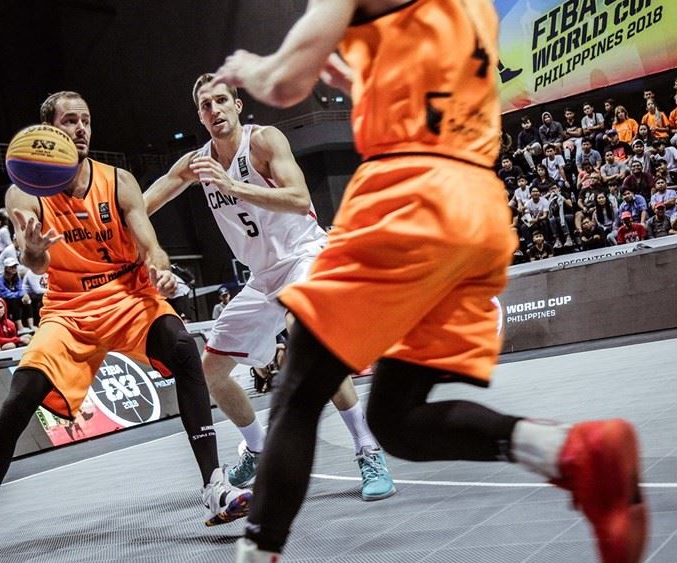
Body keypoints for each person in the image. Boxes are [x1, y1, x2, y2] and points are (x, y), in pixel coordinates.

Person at [213, 1, 646, 561]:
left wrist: (248, 69)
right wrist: (361, 79)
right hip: (478, 209)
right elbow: (434, 87)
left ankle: (257, 553)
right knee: (395, 418)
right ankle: (574, 453)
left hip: (409, 197)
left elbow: (284, 81)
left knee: (297, 392)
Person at [0, 90, 251, 562]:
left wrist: (161, 271)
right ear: (49, 131)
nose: (82, 129)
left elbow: (151, 247)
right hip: (69, 309)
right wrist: (30, 247)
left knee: (184, 348)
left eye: (86, 120)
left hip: (129, 295)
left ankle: (213, 484)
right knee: (18, 400)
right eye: (71, 121)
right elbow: (36, 262)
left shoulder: (118, 180)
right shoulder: (24, 190)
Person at [144, 73, 393, 497]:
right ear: (199, 116)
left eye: (221, 101)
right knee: (214, 371)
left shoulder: (263, 142)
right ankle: (259, 450)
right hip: (262, 277)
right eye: (206, 105)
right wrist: (101, 221)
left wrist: (232, 186)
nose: (214, 110)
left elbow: (298, 197)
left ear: (237, 106)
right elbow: (143, 204)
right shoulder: (196, 161)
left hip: (304, 255)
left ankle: (368, 450)